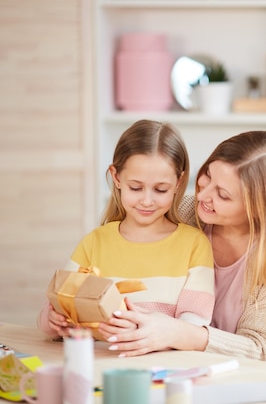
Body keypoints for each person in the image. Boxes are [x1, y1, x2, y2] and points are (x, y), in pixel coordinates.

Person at [102, 131, 266, 369]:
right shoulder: (181, 215)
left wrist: (183, 334)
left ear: (259, 209)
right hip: (170, 373)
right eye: (207, 175)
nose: (202, 195)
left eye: (223, 195)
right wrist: (75, 313)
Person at [37, 120, 214, 355]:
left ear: (178, 182)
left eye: (160, 190)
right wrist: (52, 320)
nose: (147, 200)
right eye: (136, 188)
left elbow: (192, 325)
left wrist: (147, 332)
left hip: (163, 367)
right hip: (97, 362)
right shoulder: (95, 242)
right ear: (117, 177)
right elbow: (54, 313)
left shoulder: (194, 244)